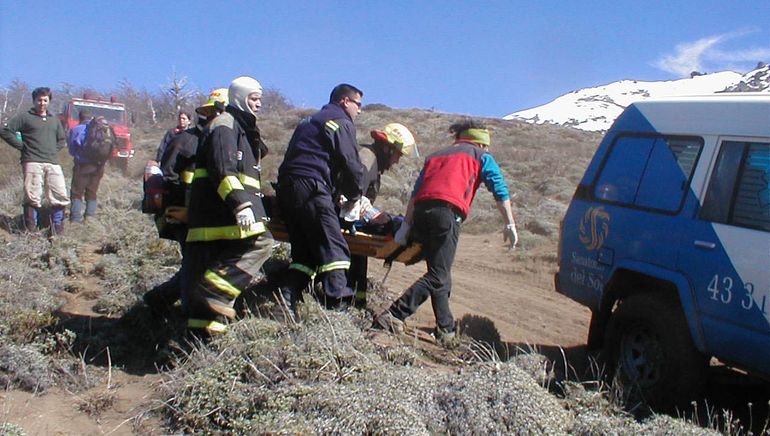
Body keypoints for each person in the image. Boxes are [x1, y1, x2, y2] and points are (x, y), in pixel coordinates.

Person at [373, 120, 519, 343]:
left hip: (422, 213)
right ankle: (394, 314)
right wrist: (509, 223)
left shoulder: (436, 155)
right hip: (446, 215)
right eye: (486, 145)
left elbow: (415, 193)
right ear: (479, 142)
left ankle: (446, 329)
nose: (488, 149)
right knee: (438, 275)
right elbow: (499, 188)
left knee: (440, 271)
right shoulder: (481, 157)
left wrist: (406, 225)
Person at [182, 77, 274, 336]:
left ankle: (202, 342)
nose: (258, 105)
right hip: (221, 214)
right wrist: (242, 204)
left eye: (259, 100)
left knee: (208, 276)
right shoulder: (225, 125)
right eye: (253, 99)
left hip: (218, 216)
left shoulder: (241, 128)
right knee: (262, 243)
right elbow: (222, 169)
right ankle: (214, 292)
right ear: (239, 98)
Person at [276, 83, 365, 311]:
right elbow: (351, 164)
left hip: (288, 189)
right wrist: (355, 195)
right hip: (311, 186)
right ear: (345, 101)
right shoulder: (340, 121)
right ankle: (338, 306)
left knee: (305, 253)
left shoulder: (308, 121)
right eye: (358, 104)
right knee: (335, 247)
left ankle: (286, 298)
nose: (359, 111)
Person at [142, 88, 228, 317]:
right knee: (195, 263)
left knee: (200, 263)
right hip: (183, 214)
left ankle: (158, 299)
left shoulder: (218, 140)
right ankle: (188, 313)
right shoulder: (186, 140)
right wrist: (184, 208)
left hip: (202, 215)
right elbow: (168, 175)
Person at [348, 123, 417, 307]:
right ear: (388, 148)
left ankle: (357, 301)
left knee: (360, 252)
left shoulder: (372, 160)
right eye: (398, 155)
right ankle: (348, 299)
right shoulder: (367, 159)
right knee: (387, 224)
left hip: (350, 217)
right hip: (344, 217)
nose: (397, 161)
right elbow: (353, 198)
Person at [0, 87, 69, 235]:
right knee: (32, 195)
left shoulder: (54, 120)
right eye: (39, 100)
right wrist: (22, 146)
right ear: (34, 101)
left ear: (49, 101)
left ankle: (57, 232)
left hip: (52, 162)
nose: (42, 103)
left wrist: (51, 150)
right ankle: (30, 232)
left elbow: (62, 139)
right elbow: (5, 131)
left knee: (60, 195)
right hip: (32, 161)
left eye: (45, 100)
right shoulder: (25, 117)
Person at [67, 109, 110, 222]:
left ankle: (76, 219)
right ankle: (90, 218)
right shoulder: (101, 129)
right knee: (92, 191)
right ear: (91, 117)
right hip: (99, 166)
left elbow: (71, 150)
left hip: (82, 165)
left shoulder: (76, 129)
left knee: (77, 192)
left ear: (80, 118)